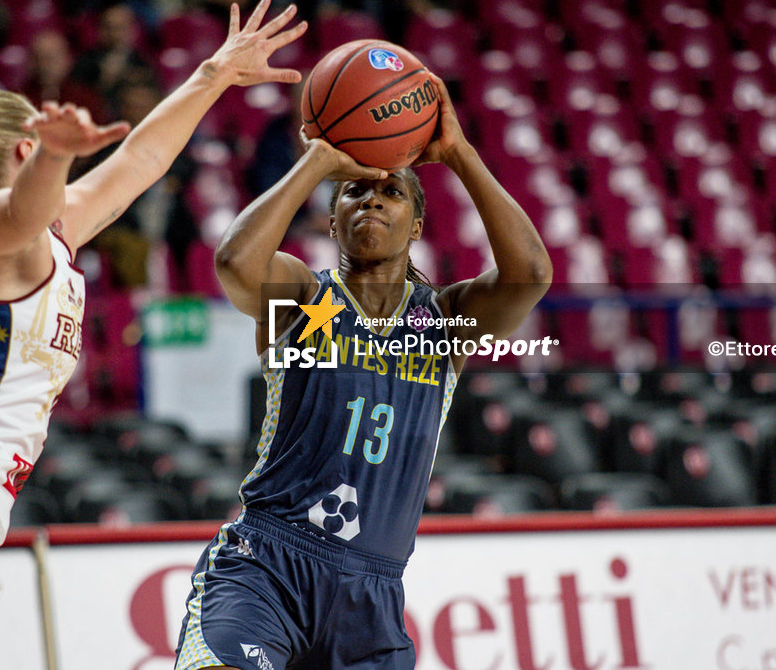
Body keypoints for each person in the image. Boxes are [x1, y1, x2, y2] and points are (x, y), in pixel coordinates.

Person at [0, 0, 305, 669]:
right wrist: (55, 160)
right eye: (43, 149)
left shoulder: (46, 234)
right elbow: (20, 212)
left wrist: (213, 75)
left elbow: (138, 164)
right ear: (28, 148)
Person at [176, 73, 552, 669]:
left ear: (417, 225)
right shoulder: (301, 298)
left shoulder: (446, 322)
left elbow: (530, 276)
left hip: (372, 598)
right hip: (267, 567)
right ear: (331, 221)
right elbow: (234, 262)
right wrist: (317, 161)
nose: (372, 199)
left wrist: (459, 152)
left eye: (393, 192)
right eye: (353, 191)